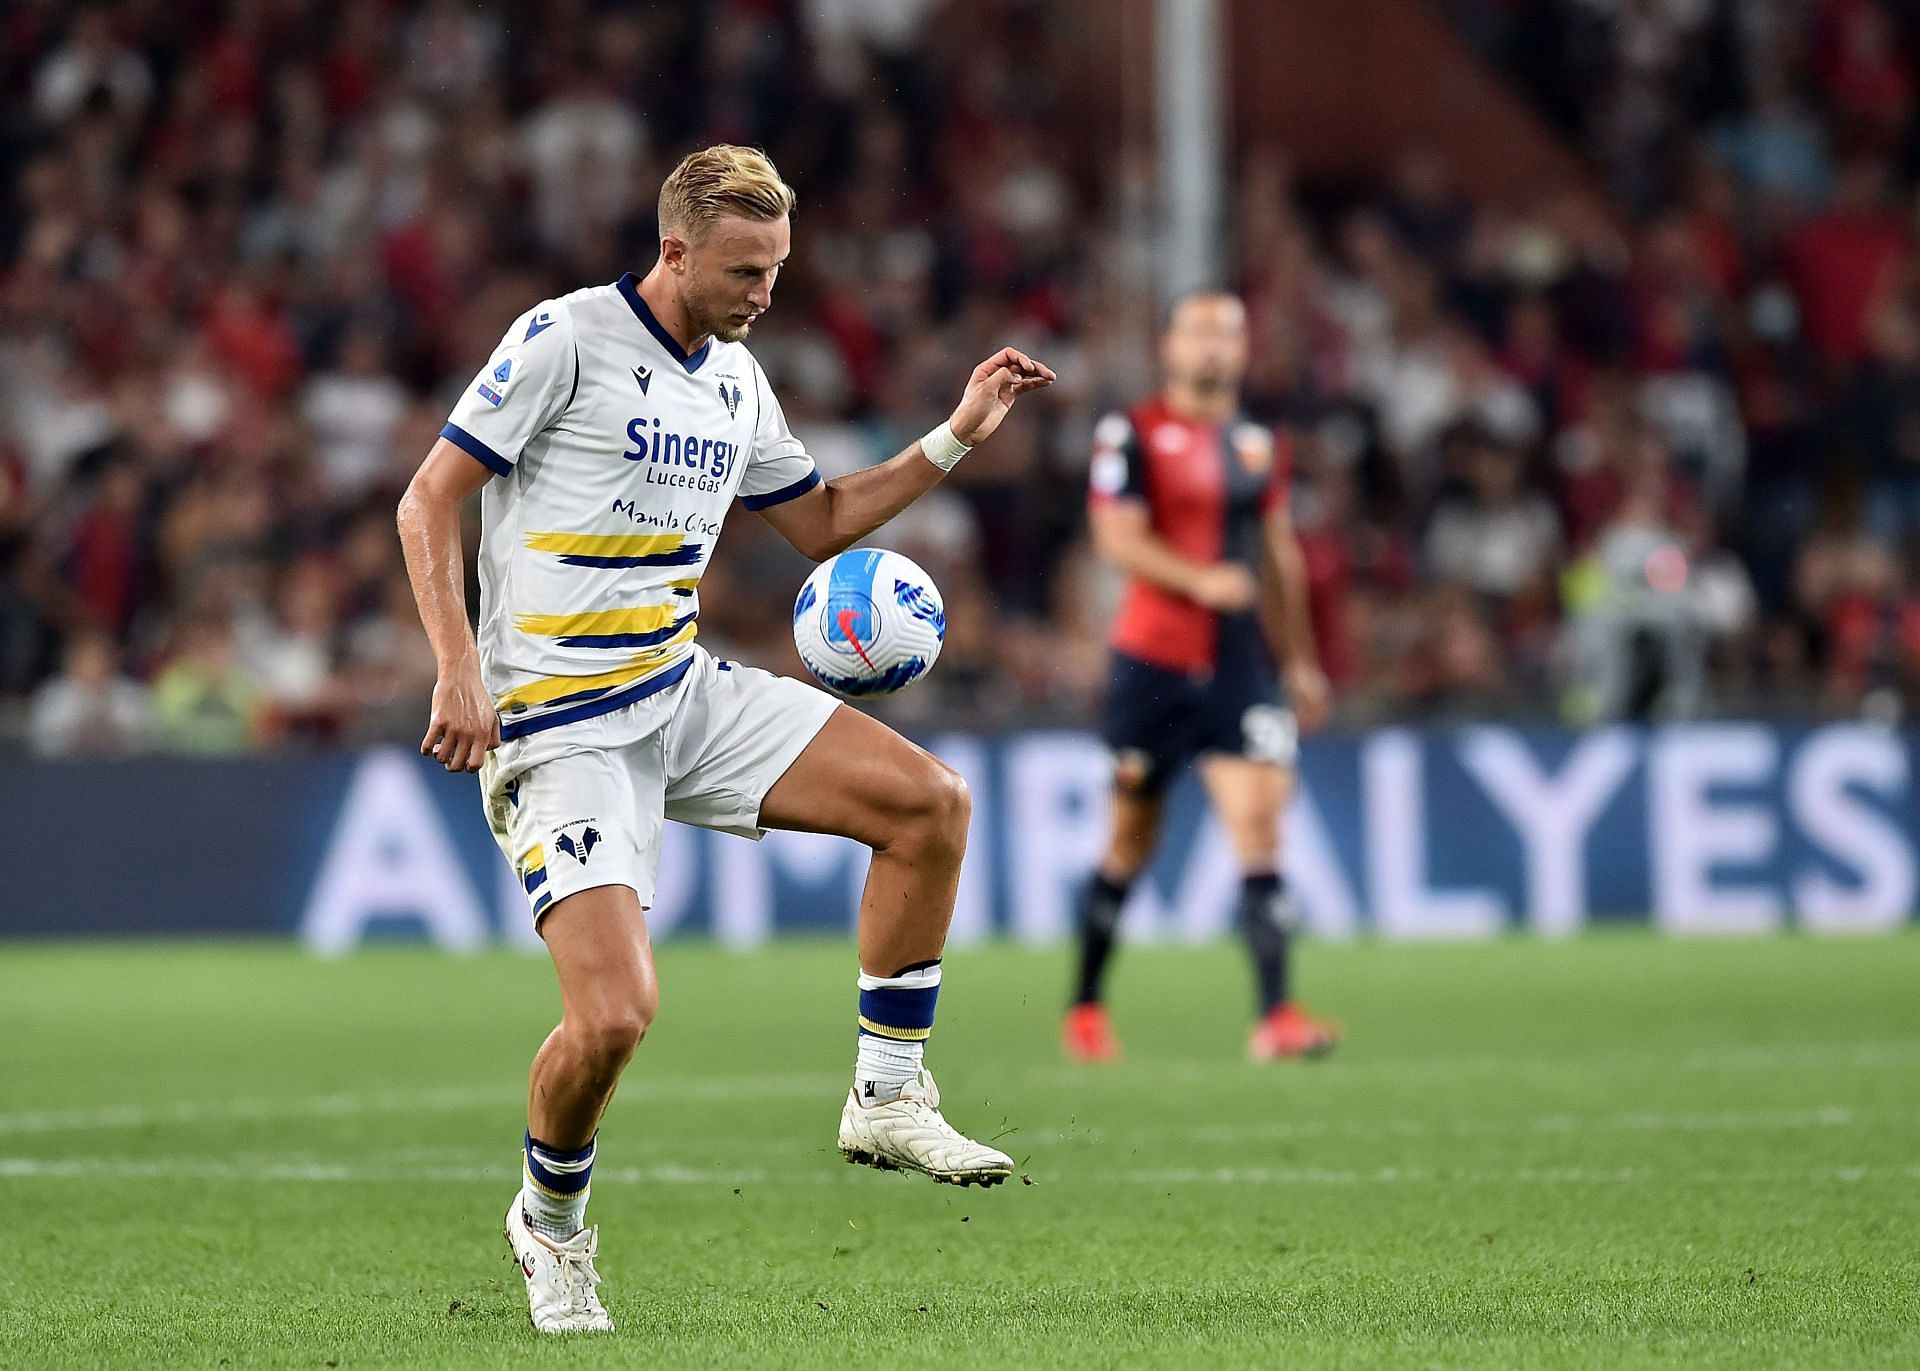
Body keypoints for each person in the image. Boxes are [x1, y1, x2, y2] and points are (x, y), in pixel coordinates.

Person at [396, 145, 1053, 1335]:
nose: (765, 294)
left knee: (931, 806)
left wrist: (956, 433)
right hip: (556, 724)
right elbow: (429, 496)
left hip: (679, 688)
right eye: (746, 270)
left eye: (779, 270)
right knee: (613, 1019)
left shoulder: (738, 382)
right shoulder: (567, 339)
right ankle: (549, 1226)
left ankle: (888, 1095)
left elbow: (821, 523)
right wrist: (456, 666)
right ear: (675, 250)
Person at [1064, 291, 1338, 1066]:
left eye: (1230, 334)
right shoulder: (1132, 431)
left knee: (1260, 828)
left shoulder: (1258, 442)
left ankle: (1276, 1015)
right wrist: (1200, 580)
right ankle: (1085, 1007)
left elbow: (1279, 554)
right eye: (1201, 333)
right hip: (1150, 665)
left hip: (1238, 668)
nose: (1216, 348)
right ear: (1170, 347)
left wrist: (1301, 660)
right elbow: (1116, 538)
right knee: (1128, 842)